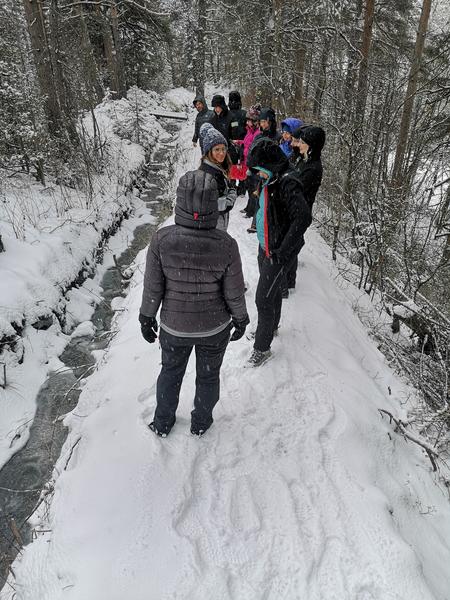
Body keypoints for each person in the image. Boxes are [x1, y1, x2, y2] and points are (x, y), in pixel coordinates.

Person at [139, 170, 249, 437]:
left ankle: (163, 421)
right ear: (214, 203)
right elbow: (234, 290)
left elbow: (154, 285)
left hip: (175, 328)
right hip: (213, 329)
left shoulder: (162, 240)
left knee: (171, 372)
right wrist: (241, 318)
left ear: (179, 201)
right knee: (209, 376)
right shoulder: (226, 244)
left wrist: (146, 316)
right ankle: (201, 422)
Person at [245, 138, 312, 367]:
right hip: (266, 246)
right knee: (271, 293)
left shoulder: (287, 182)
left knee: (262, 299)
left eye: (260, 171)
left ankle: (262, 349)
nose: (258, 175)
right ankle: (270, 328)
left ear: (270, 165)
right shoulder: (271, 178)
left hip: (277, 251)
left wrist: (283, 251)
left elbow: (303, 218)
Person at [281, 124, 325, 293]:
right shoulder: (302, 158)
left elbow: (296, 188)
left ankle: (283, 286)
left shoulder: (313, 168)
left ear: (312, 146)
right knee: (292, 246)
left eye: (302, 142)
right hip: (293, 210)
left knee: (289, 248)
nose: (298, 144)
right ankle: (289, 282)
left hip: (299, 213)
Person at [198, 122, 236, 231]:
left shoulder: (217, 168)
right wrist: (232, 196)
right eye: (217, 149)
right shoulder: (209, 174)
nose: (221, 153)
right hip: (213, 227)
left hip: (215, 225)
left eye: (223, 149)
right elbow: (214, 205)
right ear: (209, 151)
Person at [234, 105, 261, 217]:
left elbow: (253, 148)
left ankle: (252, 210)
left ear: (255, 121)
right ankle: (249, 207)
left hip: (253, 164)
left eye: (250, 120)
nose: (248, 122)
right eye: (248, 120)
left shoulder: (257, 133)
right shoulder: (249, 131)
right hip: (247, 162)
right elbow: (247, 144)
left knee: (254, 188)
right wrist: (239, 142)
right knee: (249, 186)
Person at [228, 90, 248, 196]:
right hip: (243, 143)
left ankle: (232, 187)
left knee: (232, 165)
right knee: (242, 165)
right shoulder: (244, 113)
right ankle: (242, 188)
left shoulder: (227, 114)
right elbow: (248, 128)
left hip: (232, 143)